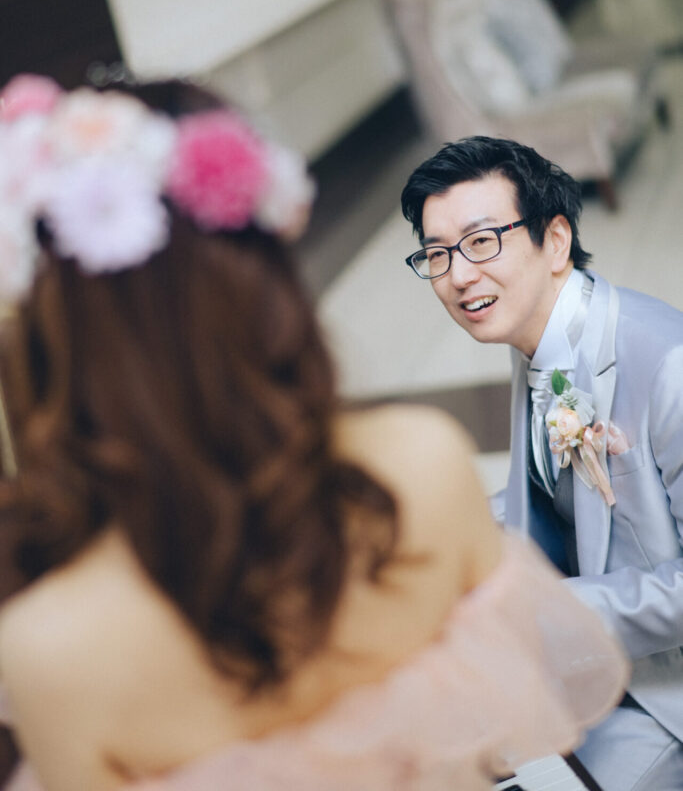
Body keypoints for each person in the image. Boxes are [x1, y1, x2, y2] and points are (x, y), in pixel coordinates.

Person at [0, 78, 626, 791]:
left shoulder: (52, 647)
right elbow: (505, 722)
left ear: (48, 326)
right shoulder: (420, 465)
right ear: (266, 275)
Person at [401, 134, 683, 791]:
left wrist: (545, 611)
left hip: (664, 694)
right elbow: (551, 496)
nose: (458, 275)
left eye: (481, 242)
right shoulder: (539, 336)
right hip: (589, 664)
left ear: (555, 240)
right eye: (437, 254)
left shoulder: (668, 363)